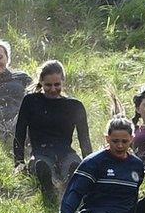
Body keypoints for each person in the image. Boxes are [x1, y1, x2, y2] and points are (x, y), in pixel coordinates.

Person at [13, 59, 92, 203]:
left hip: (66, 152)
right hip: (41, 152)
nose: (53, 89)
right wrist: (18, 161)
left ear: (63, 82)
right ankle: (48, 187)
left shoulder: (74, 106)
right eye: (48, 85)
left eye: (57, 85)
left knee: (74, 166)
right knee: (42, 166)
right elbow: (20, 132)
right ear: (41, 82)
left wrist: (92, 164)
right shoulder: (31, 101)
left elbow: (84, 139)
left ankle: (69, 186)